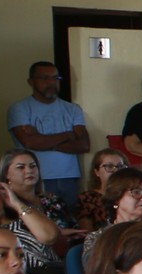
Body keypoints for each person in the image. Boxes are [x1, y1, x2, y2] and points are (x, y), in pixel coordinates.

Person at [7, 62, 88, 205]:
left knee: (70, 221)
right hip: (35, 177)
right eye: (44, 78)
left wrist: (42, 140)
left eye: (55, 78)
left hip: (69, 177)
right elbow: (29, 142)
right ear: (31, 82)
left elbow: (83, 145)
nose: (51, 82)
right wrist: (68, 135)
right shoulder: (19, 108)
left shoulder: (72, 109)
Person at [73, 148, 129, 231]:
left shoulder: (133, 194)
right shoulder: (86, 198)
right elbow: (87, 233)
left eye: (120, 166)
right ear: (97, 172)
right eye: (109, 166)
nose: (116, 170)